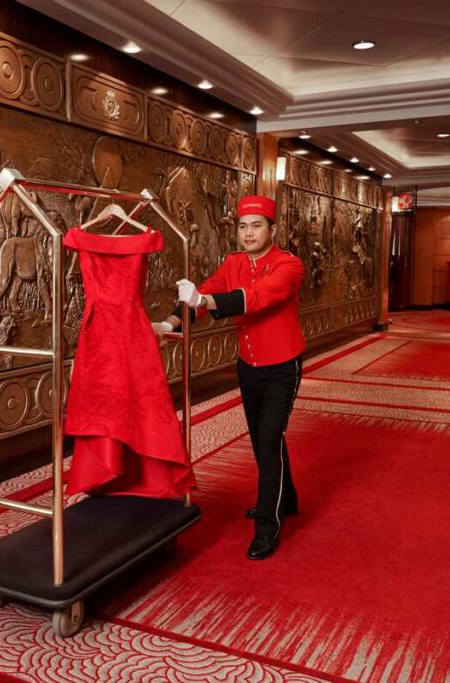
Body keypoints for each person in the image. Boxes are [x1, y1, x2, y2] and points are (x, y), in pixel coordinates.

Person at [153, 195, 305, 560]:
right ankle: (287, 498)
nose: (248, 233)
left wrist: (205, 302)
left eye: (256, 226)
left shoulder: (289, 265)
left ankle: (268, 524)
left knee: (269, 440)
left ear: (272, 229)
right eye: (242, 226)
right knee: (261, 439)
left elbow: (254, 297)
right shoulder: (233, 263)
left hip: (283, 366)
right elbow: (205, 292)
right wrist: (167, 323)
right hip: (248, 365)